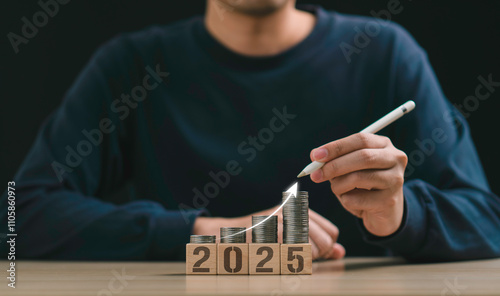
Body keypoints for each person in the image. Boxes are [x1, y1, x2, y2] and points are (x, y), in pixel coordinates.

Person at [2, 0, 499, 262]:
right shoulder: (132, 67)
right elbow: (18, 215)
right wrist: (211, 234)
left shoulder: (385, 53)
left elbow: (486, 222)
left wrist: (398, 213)